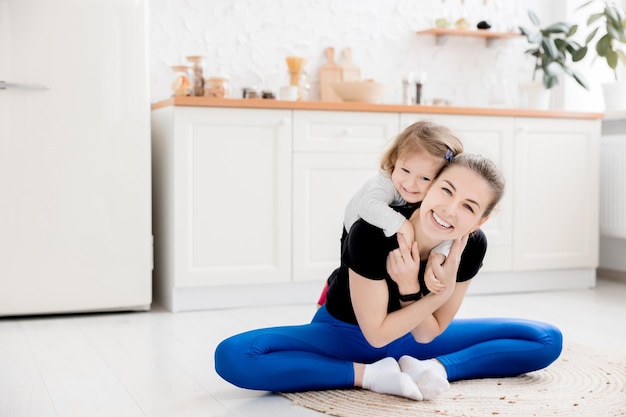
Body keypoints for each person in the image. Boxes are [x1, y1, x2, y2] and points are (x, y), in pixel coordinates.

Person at [214, 152, 562, 402]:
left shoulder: (470, 245)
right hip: (343, 333)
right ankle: (371, 375)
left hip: (417, 346)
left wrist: (419, 291)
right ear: (429, 186)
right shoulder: (371, 232)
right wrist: (434, 297)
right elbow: (377, 336)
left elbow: (427, 333)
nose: (449, 210)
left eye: (469, 207)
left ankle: (435, 370)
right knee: (234, 356)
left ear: (480, 221)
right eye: (446, 190)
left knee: (546, 340)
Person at [317, 121, 464, 307]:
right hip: (357, 238)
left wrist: (439, 256)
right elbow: (368, 206)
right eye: (405, 170)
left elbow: (448, 230)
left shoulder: (437, 199)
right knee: (351, 277)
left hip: (392, 245)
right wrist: (405, 226)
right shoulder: (385, 183)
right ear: (394, 161)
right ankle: (330, 288)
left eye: (424, 178)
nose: (411, 184)